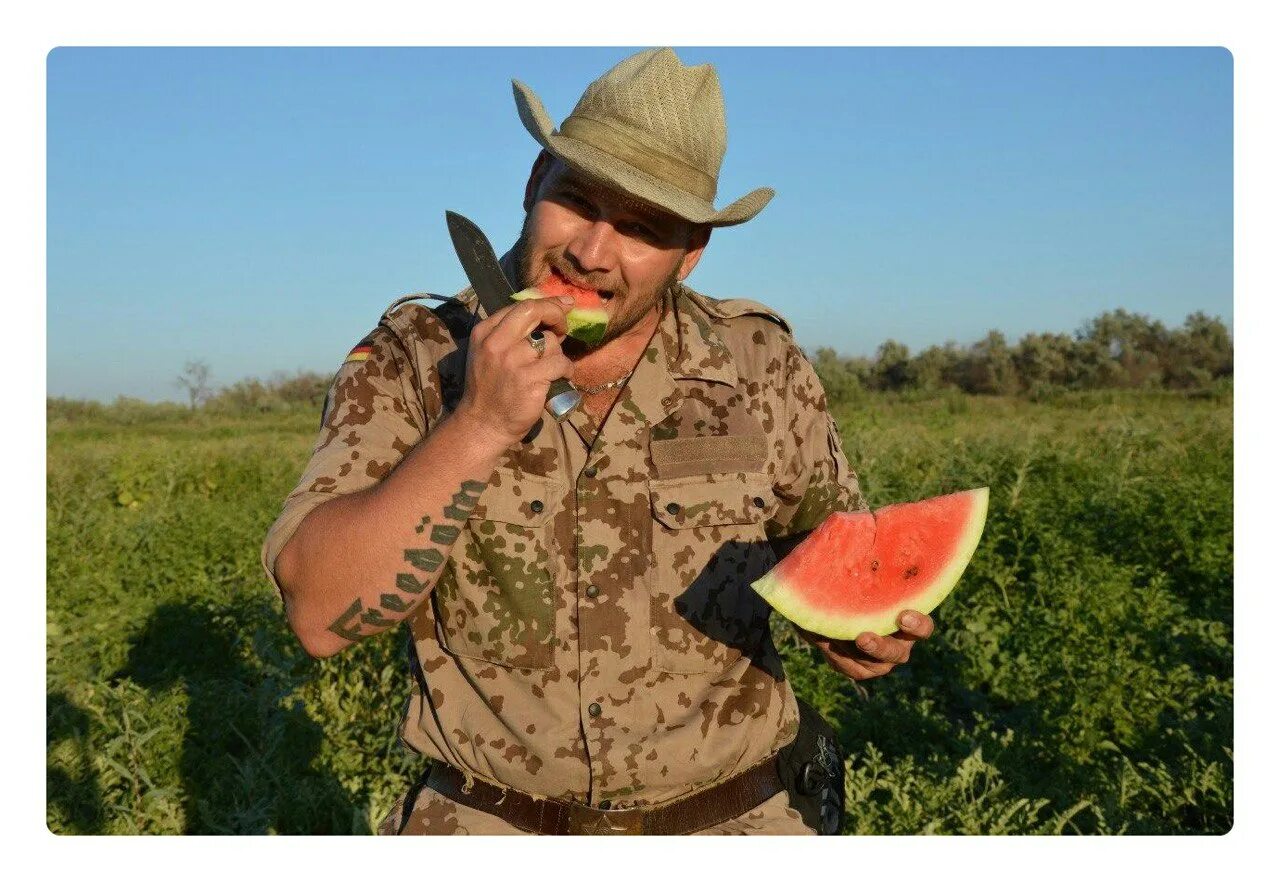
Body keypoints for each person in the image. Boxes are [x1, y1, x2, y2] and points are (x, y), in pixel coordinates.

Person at [261, 47, 936, 836]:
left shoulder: (759, 363)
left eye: (644, 228)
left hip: (740, 821)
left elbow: (833, 554)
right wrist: (475, 426)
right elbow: (317, 612)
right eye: (577, 200)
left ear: (692, 251)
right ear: (532, 183)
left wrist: (859, 632)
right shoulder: (415, 356)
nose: (592, 251)